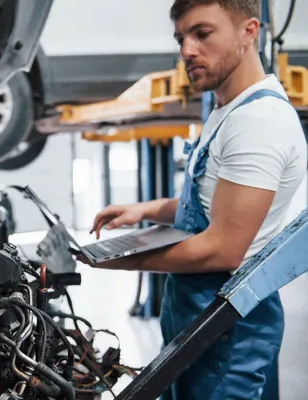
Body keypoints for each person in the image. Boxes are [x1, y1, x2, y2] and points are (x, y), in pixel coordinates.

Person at [81, 1, 307, 399]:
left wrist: (112, 259)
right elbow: (209, 208)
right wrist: (146, 209)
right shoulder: (228, 109)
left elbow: (222, 248)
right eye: (181, 37)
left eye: (202, 34)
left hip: (228, 335)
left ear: (249, 31)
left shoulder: (259, 122)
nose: (186, 50)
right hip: (200, 321)